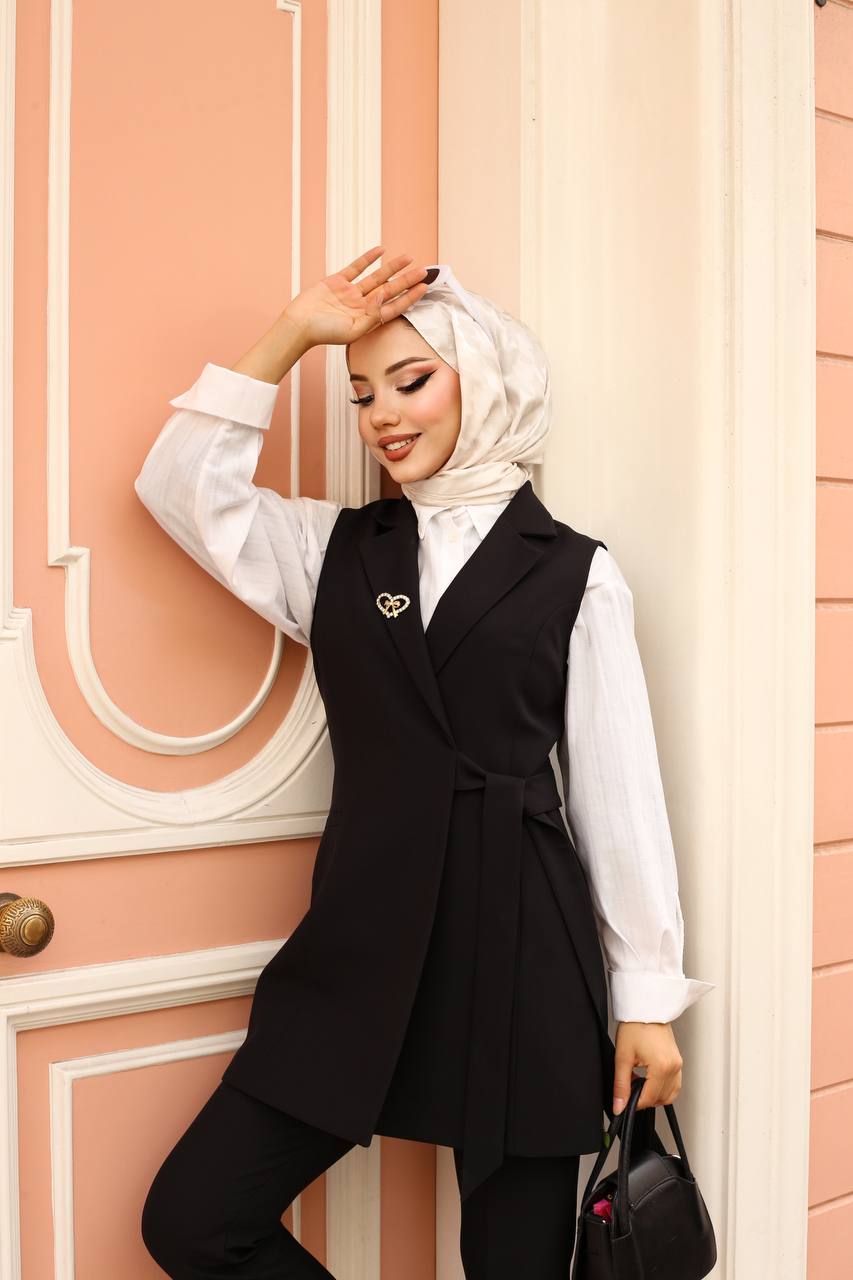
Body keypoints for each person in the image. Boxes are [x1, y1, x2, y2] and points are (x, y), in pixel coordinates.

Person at [135, 248, 714, 1278]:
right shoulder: (333, 550)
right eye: (360, 393)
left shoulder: (574, 571)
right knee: (193, 1215)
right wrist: (289, 335)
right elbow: (179, 486)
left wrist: (645, 996)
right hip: (359, 944)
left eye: (412, 380)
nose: (382, 416)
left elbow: (617, 791)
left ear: (484, 381)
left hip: (523, 950)